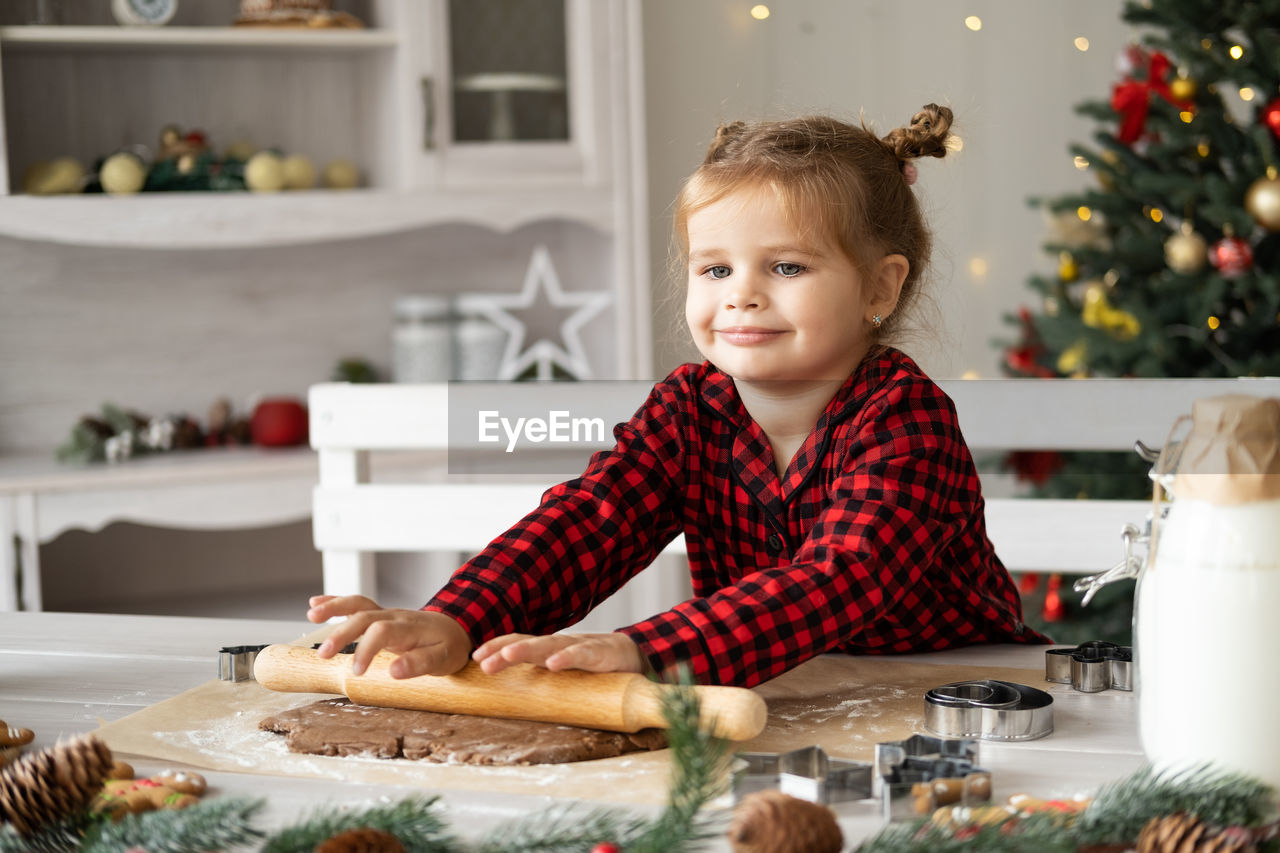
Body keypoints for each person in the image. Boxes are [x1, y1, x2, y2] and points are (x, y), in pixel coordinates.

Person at [308, 104, 1049, 687]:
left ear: (879, 287)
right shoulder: (689, 407)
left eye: (787, 267)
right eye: (715, 269)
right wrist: (459, 618)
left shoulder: (904, 418)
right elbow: (590, 521)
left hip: (961, 691)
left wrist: (644, 649)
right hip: (779, 686)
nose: (742, 297)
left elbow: (836, 579)